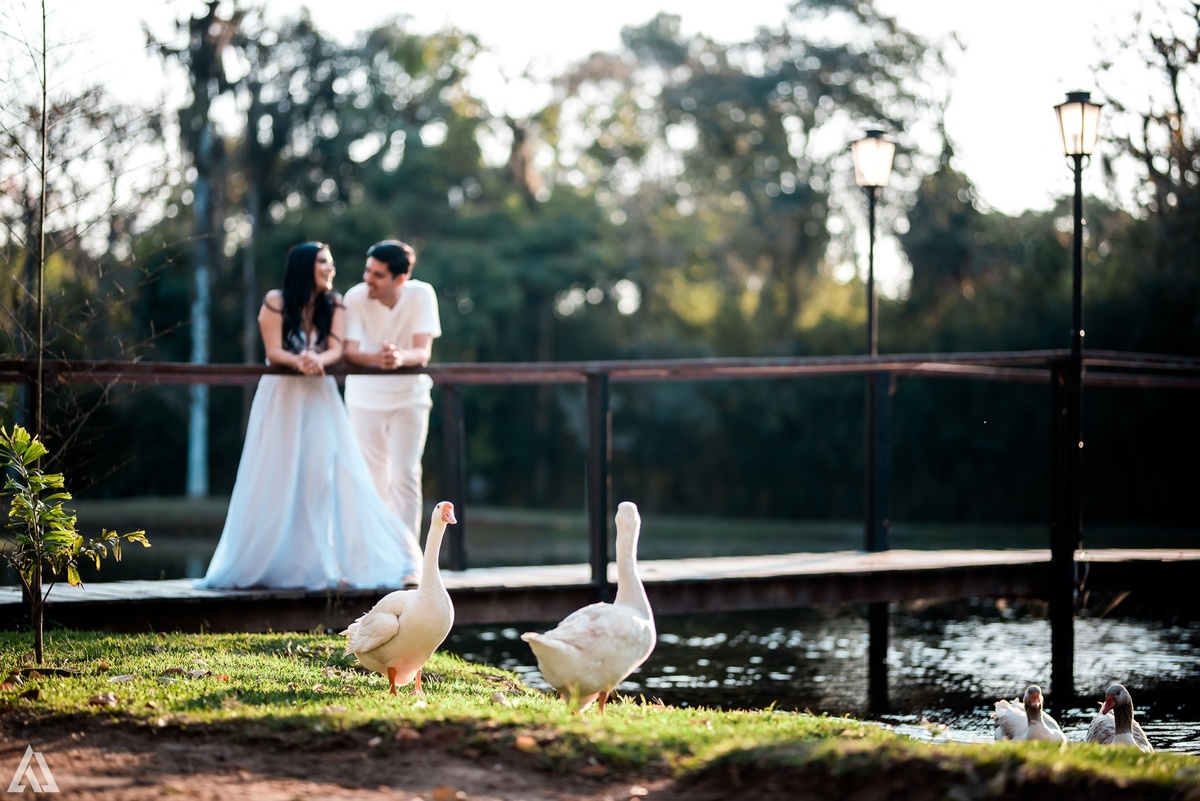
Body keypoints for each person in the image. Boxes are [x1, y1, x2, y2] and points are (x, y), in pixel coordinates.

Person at [197, 242, 423, 590]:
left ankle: (326, 564)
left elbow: (336, 349)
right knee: (273, 473)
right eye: (323, 262)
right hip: (281, 396)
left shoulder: (335, 303)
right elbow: (274, 351)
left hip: (319, 395)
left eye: (330, 263)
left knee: (323, 476)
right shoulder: (275, 301)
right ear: (305, 266)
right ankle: (265, 562)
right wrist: (298, 360)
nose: (331, 269)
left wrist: (318, 360)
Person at [342, 239, 442, 540]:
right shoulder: (355, 297)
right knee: (371, 478)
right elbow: (350, 351)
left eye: (377, 275)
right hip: (364, 400)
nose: (368, 279)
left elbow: (422, 351)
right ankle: (376, 551)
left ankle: (406, 554)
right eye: (368, 271)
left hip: (409, 399)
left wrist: (399, 357)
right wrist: (379, 359)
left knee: (405, 475)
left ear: (400, 279)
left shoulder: (422, 294)